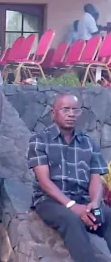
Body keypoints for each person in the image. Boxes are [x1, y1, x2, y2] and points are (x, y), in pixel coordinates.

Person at [28, 93, 111, 262]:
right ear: (53, 113)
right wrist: (73, 207)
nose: (71, 114)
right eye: (66, 109)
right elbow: (44, 182)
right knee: (72, 221)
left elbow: (96, 178)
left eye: (75, 110)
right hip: (50, 200)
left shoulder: (88, 142)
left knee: (107, 216)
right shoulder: (40, 140)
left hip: (83, 199)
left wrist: (94, 206)